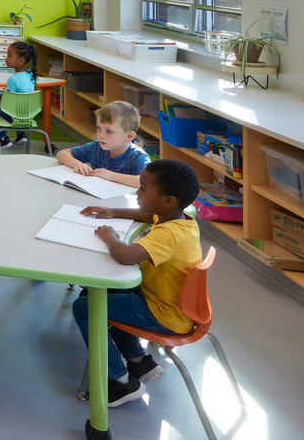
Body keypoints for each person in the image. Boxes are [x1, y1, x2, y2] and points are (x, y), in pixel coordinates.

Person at [74, 159, 202, 407]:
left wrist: (109, 236)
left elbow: (125, 256)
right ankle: (137, 360)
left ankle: (121, 382)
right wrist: (113, 211)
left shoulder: (168, 233)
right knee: (96, 293)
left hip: (163, 314)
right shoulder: (180, 219)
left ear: (168, 201)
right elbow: (148, 214)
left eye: (143, 188)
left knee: (84, 308)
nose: (137, 192)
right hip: (167, 304)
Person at [57, 100, 149, 187]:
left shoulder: (138, 156)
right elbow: (62, 154)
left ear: (129, 136)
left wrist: (112, 176)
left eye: (108, 131)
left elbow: (148, 181)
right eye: (98, 128)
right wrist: (77, 164)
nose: (100, 135)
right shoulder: (96, 147)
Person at [0, 41, 36, 148]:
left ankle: (3, 138)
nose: (6, 58)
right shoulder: (30, 75)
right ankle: (21, 134)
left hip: (13, 117)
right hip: (28, 117)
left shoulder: (12, 80)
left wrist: (1, 98)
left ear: (21, 61)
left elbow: (6, 104)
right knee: (16, 106)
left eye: (9, 56)